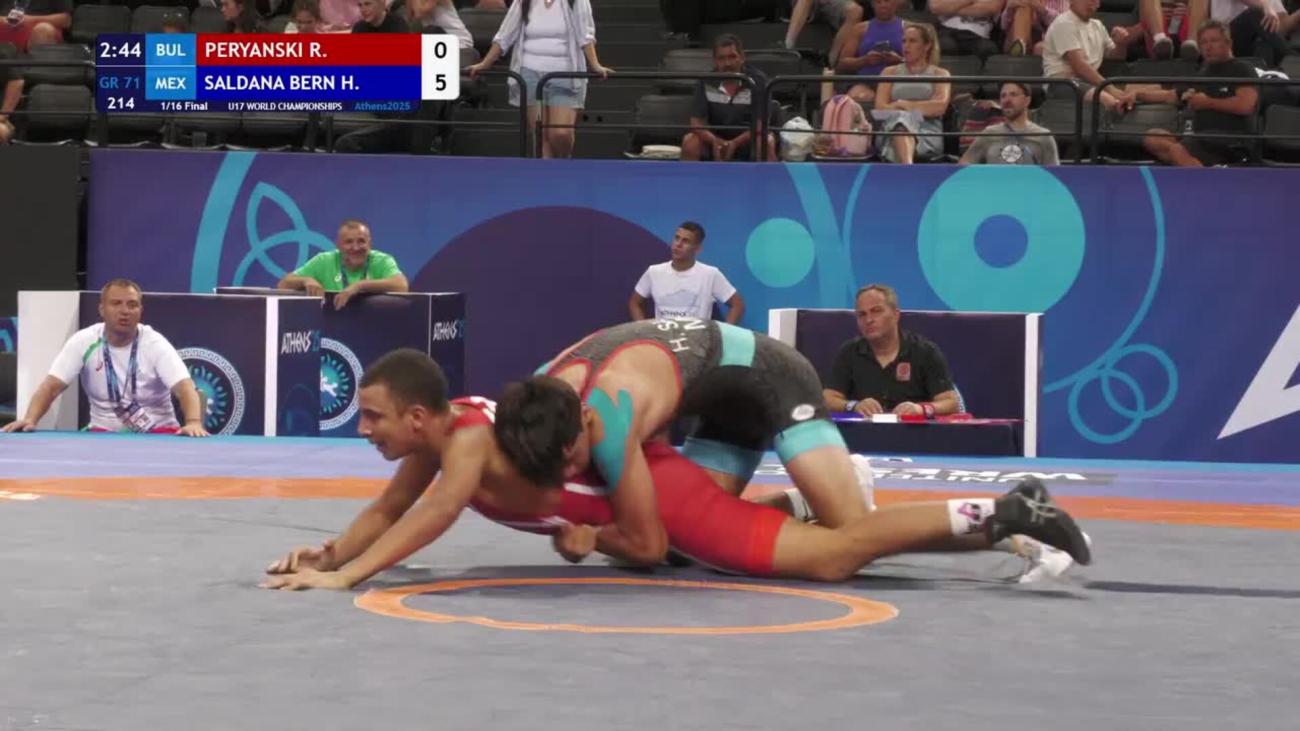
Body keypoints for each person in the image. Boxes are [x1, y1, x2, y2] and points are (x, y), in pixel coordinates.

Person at [262, 351, 1089, 589]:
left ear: (417, 416)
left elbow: (433, 517)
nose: (364, 430)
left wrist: (346, 578)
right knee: (827, 545)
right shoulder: (444, 438)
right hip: (659, 478)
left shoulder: (470, 443)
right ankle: (1000, 522)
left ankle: (1004, 510)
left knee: (836, 555)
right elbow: (390, 509)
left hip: (670, 499)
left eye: (372, 416)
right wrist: (331, 552)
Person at [1, 279, 208, 436]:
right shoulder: (84, 341)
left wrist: (193, 422)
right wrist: (30, 419)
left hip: (157, 432)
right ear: (102, 309)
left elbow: (185, 388)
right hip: (102, 434)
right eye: (116, 303)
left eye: (132, 305)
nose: (124, 311)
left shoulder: (154, 343)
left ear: (140, 311)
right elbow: (51, 387)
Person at [466, 0, 612, 159]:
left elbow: (586, 35)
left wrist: (595, 65)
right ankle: (547, 173)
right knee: (540, 135)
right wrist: (484, 64)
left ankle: (564, 164)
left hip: (564, 73)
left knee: (560, 133)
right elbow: (505, 35)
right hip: (529, 73)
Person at [822, 284, 961, 418]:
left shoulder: (925, 352)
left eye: (876, 311)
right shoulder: (849, 352)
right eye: (862, 314)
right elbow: (827, 399)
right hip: (864, 431)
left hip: (914, 432)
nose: (868, 320)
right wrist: (853, 405)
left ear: (896, 315)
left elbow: (951, 403)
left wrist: (921, 409)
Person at [1141, 19, 1259, 167]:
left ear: (1228, 43)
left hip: (1231, 139)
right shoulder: (1202, 73)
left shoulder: (1242, 69)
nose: (1208, 46)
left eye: (1214, 41)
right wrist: (1137, 95)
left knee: (1177, 151)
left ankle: (1198, 170)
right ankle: (1201, 167)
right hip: (1201, 139)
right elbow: (1171, 95)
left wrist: (1207, 103)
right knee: (1153, 137)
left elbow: (1245, 105)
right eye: (1203, 42)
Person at [681, 34, 778, 162]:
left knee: (765, 143)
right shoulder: (705, 81)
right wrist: (715, 141)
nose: (727, 63)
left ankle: (768, 176)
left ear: (742, 58)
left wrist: (734, 143)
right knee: (690, 142)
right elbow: (696, 123)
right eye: (721, 58)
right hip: (715, 140)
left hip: (749, 139)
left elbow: (761, 124)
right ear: (715, 61)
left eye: (732, 57)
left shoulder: (758, 81)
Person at [628, 222, 744, 324]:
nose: (678, 244)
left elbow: (737, 305)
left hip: (697, 340)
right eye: (677, 238)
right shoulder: (654, 272)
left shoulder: (710, 274)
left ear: (697, 248)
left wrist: (722, 334)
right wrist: (643, 330)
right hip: (663, 340)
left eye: (686, 241)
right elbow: (635, 303)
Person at [276, 219, 409, 309]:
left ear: (369, 243)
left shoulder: (381, 260)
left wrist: (359, 286)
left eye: (361, 241)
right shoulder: (324, 261)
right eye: (349, 242)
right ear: (338, 245)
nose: (355, 248)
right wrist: (306, 280)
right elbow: (283, 284)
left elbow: (401, 286)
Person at [873, 23, 952, 165]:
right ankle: (908, 170)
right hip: (890, 130)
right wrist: (921, 109)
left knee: (902, 119)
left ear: (927, 46)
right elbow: (879, 111)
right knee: (901, 122)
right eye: (904, 41)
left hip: (926, 132)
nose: (906, 46)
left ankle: (904, 170)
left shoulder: (940, 74)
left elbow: (938, 108)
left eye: (912, 41)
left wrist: (901, 104)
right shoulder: (889, 72)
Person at [960, 81, 1061, 164]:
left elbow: (1054, 175)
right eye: (1003, 96)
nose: (1007, 100)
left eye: (1013, 94)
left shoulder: (1043, 136)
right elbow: (964, 166)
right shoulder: (989, 133)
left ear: (1027, 100)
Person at [833, 0, 905, 105]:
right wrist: (865, 60)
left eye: (887, 1)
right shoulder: (860, 29)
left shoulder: (907, 28)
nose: (883, 5)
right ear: (872, 4)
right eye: (878, 2)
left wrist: (899, 61)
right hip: (866, 82)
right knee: (859, 96)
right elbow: (842, 63)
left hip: (898, 81)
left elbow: (922, 62)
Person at [0, 0, 70, 53]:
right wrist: (4, 20)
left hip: (37, 29)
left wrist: (31, 20)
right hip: (7, 27)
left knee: (43, 29)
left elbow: (66, 20)